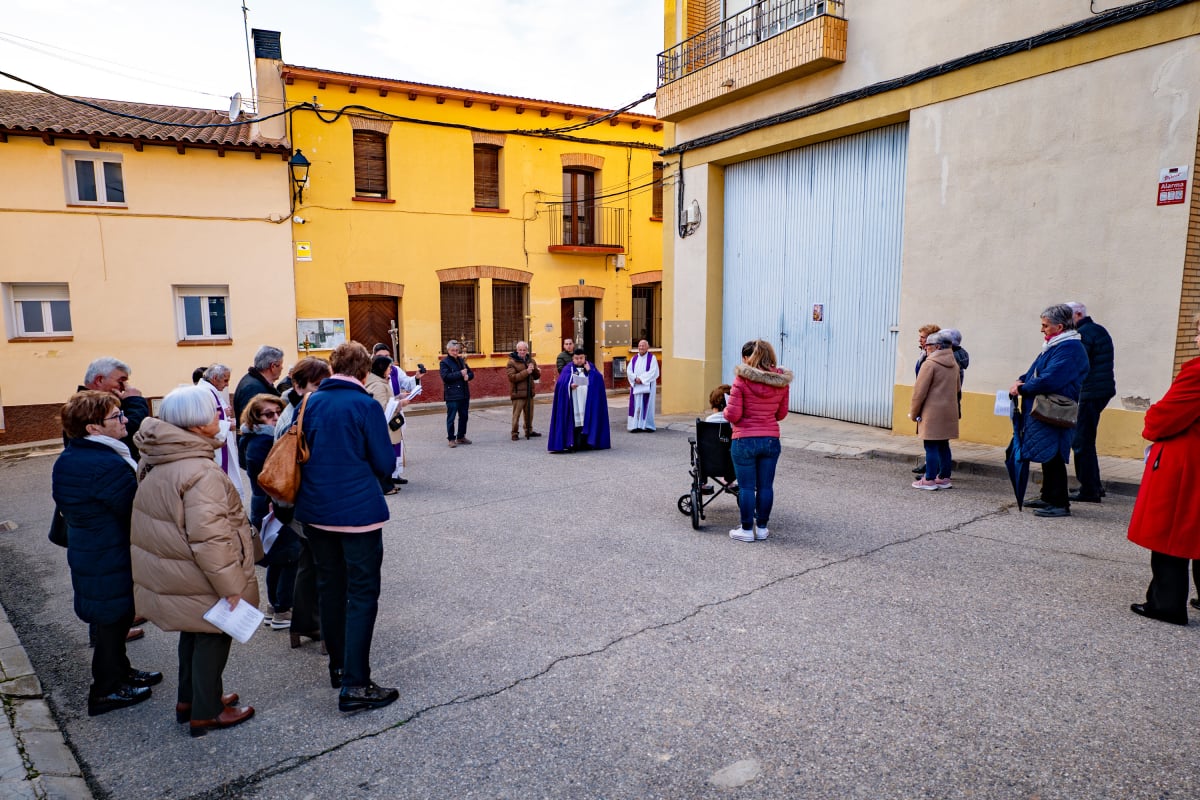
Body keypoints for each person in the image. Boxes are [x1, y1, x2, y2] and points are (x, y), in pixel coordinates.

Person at [131, 386, 258, 736]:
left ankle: (192, 698)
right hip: (199, 572)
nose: (220, 417)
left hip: (176, 569)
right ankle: (207, 711)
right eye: (213, 412)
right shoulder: (200, 472)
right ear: (198, 423)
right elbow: (211, 539)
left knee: (194, 633)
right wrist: (232, 588)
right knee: (213, 637)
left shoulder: (159, 457)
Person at [293, 342, 400, 712]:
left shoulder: (309, 403)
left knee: (331, 588)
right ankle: (356, 683)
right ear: (363, 372)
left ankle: (338, 667)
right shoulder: (366, 405)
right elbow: (386, 463)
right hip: (357, 514)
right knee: (362, 593)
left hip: (316, 512)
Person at [52, 391, 162, 717]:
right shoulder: (104, 465)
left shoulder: (74, 456)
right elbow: (134, 511)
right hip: (109, 555)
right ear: (93, 428)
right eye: (116, 417)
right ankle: (105, 691)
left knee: (113, 620)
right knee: (113, 622)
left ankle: (121, 673)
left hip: (93, 553)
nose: (125, 419)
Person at [1127, 315, 1200, 625]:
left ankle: (1165, 603)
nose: (1196, 338)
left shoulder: (1197, 371)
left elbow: (1162, 419)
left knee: (1172, 531)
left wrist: (1153, 414)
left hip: (1188, 459)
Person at [1009, 304, 1090, 518]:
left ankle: (1060, 503)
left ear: (1059, 326)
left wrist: (1024, 388)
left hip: (1055, 409)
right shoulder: (1055, 344)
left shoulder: (1070, 348)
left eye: (1045, 325)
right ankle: (1047, 496)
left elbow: (1051, 379)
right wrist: (1021, 380)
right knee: (1047, 453)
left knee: (1054, 455)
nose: (1042, 329)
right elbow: (1034, 371)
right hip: (1044, 408)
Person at [275, 356, 332, 650]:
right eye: (317, 385)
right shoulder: (296, 416)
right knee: (324, 566)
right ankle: (320, 627)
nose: (323, 390)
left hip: (298, 503)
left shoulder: (299, 409)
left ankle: (305, 626)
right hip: (300, 503)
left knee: (308, 564)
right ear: (297, 386)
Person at [241, 393, 299, 631]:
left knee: (276, 557)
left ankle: (274, 606)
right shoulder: (263, 442)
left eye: (278, 412)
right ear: (255, 418)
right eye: (268, 414)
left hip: (263, 502)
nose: (275, 418)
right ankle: (283, 609)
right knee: (288, 557)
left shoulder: (252, 438)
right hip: (271, 503)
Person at [725, 339, 793, 542]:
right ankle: (762, 528)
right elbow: (781, 414)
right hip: (771, 439)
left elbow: (734, 415)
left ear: (750, 357)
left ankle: (746, 530)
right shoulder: (781, 382)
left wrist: (727, 410)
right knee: (765, 486)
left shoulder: (741, 380)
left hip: (744, 439)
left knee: (746, 487)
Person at [1065, 302, 1115, 503]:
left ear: (1077, 315)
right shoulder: (1097, 329)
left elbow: (1078, 363)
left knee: (1081, 441)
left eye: (1067, 318)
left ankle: (1089, 490)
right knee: (1087, 439)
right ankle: (1094, 485)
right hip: (1101, 390)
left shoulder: (1083, 334)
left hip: (1089, 392)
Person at [909, 331, 960, 490]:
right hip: (948, 411)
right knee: (944, 444)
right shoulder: (954, 363)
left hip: (932, 412)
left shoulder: (929, 364)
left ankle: (929, 479)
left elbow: (919, 392)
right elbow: (957, 388)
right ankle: (944, 477)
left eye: (928, 345)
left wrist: (914, 412)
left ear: (937, 346)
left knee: (930, 445)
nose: (926, 347)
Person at [79, 357, 150, 461]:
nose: (124, 388)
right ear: (100, 380)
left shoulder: (103, 403)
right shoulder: (86, 406)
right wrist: (135, 401)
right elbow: (128, 431)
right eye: (120, 382)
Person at [196, 364, 245, 503]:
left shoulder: (210, 390)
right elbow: (204, 421)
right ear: (215, 378)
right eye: (225, 380)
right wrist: (230, 425)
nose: (227, 384)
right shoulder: (204, 393)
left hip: (223, 440)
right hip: (216, 444)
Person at [547, 348, 611, 453]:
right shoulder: (568, 368)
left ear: (585, 357)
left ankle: (587, 443)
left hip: (587, 402)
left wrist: (590, 371)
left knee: (587, 420)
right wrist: (570, 385)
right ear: (573, 358)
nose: (579, 360)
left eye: (581, 358)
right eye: (576, 358)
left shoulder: (590, 367)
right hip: (574, 402)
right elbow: (560, 383)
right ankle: (573, 444)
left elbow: (599, 381)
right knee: (576, 423)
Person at [372, 343, 420, 484]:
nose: (385, 359)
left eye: (387, 356)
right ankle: (384, 477)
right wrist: (398, 402)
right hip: (382, 413)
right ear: (374, 355)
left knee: (396, 443)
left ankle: (394, 474)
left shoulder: (395, 370)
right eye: (381, 356)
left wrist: (416, 377)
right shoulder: (370, 372)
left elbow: (406, 382)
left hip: (395, 413)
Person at [365, 354, 405, 495]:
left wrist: (398, 398)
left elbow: (388, 400)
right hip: (384, 427)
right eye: (388, 367)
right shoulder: (377, 384)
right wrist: (400, 404)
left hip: (387, 426)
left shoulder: (381, 382)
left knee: (387, 455)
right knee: (383, 456)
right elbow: (382, 407)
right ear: (381, 368)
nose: (390, 370)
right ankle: (385, 486)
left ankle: (389, 484)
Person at [910, 326, 942, 475]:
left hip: (932, 403)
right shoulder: (924, 355)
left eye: (923, 337)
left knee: (933, 439)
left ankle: (931, 473)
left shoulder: (934, 359)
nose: (920, 340)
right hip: (928, 401)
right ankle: (933, 466)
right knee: (933, 439)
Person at [233, 345, 284, 425]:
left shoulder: (255, 382)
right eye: (281, 364)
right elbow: (249, 421)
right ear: (273, 366)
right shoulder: (253, 388)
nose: (282, 368)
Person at [440, 339, 474, 447]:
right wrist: (460, 373)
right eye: (453, 350)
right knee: (451, 417)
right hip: (452, 395)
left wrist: (468, 376)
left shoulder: (461, 360)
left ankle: (461, 436)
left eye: (457, 350)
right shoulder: (444, 362)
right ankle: (451, 439)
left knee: (464, 416)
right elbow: (445, 377)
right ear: (448, 350)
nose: (455, 352)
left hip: (464, 393)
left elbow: (471, 373)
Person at [506, 341, 542, 441]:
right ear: (517, 350)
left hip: (529, 392)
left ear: (527, 350)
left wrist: (534, 369)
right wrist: (526, 371)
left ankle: (529, 430)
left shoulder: (531, 360)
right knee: (516, 415)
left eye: (524, 350)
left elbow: (536, 376)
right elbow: (512, 377)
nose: (522, 352)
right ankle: (514, 433)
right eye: (520, 350)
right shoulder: (512, 362)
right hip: (518, 393)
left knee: (529, 415)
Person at [627, 339, 660, 433]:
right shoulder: (634, 358)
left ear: (647, 347)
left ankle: (647, 425)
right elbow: (629, 371)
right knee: (636, 404)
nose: (641, 347)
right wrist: (635, 378)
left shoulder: (652, 358)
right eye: (639, 346)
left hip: (647, 386)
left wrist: (642, 379)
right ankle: (635, 425)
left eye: (643, 346)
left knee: (647, 405)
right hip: (636, 386)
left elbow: (653, 371)